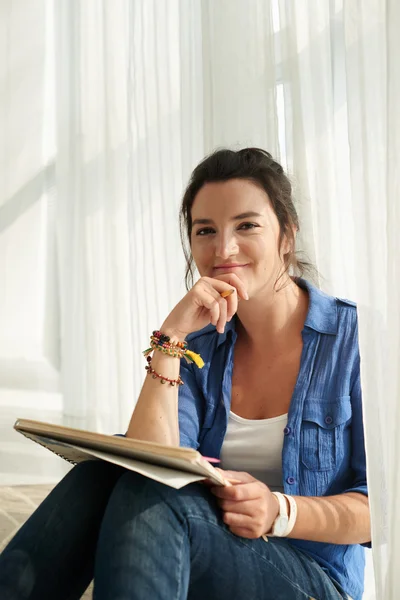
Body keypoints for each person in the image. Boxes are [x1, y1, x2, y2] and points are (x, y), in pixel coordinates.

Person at [0, 148, 370, 600]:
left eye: (246, 226)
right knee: (100, 476)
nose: (223, 249)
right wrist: (170, 338)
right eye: (205, 231)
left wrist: (280, 510)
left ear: (287, 235)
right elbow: (149, 464)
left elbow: (385, 508)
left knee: (152, 495)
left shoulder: (358, 340)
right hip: (214, 550)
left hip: (314, 578)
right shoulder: (197, 348)